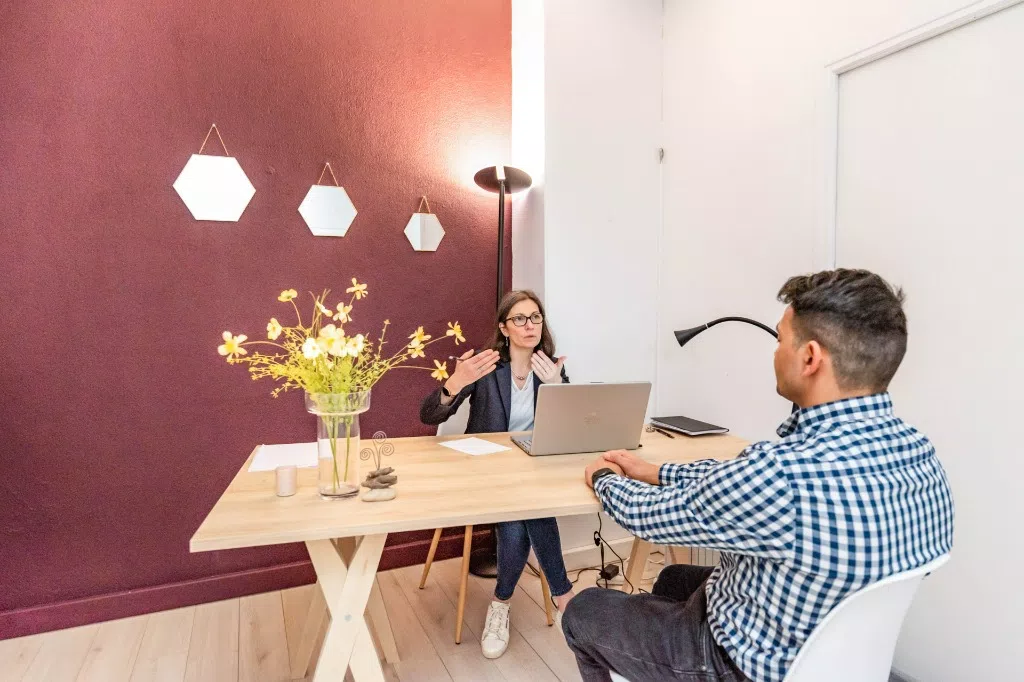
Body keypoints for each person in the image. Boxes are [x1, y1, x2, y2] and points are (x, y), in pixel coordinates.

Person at [566, 269, 955, 682]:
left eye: (779, 339)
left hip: (744, 666)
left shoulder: (782, 476)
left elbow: (650, 516)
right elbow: (736, 482)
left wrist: (605, 478)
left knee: (584, 611)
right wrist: (659, 471)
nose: (774, 353)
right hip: (834, 656)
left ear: (810, 358)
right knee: (673, 577)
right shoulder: (921, 456)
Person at [420, 289, 576, 660]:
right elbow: (429, 416)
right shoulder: (485, 366)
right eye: (519, 319)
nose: (529, 325)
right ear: (504, 328)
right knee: (529, 508)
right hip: (485, 471)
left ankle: (501, 604)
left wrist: (557, 388)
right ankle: (563, 594)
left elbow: (569, 426)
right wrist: (453, 383)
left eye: (535, 317)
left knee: (523, 510)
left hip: (531, 470)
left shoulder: (549, 368)